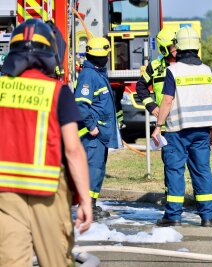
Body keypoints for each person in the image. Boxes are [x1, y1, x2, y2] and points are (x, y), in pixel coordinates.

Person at [0, 19, 92, 267]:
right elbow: (73, 150)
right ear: (49, 53)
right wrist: (85, 199)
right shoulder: (57, 92)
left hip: (5, 193)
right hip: (48, 193)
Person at [151, 26, 212, 227]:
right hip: (202, 130)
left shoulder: (173, 71)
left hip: (177, 130)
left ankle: (173, 216)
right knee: (202, 171)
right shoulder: (207, 70)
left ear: (178, 47)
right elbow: (210, 99)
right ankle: (207, 216)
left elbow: (167, 101)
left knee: (175, 171)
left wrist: (158, 125)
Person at [74, 36, 122, 220]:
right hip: (93, 135)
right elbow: (81, 105)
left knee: (97, 170)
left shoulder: (97, 73)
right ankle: (87, 207)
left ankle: (91, 204)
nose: (108, 58)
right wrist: (92, 127)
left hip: (100, 135)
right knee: (93, 169)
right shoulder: (89, 75)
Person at [137, 27, 177, 117]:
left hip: (184, 121)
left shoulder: (186, 64)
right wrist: (151, 106)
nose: (175, 49)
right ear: (164, 48)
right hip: (165, 121)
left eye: (176, 45)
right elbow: (140, 86)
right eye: (172, 46)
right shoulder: (154, 66)